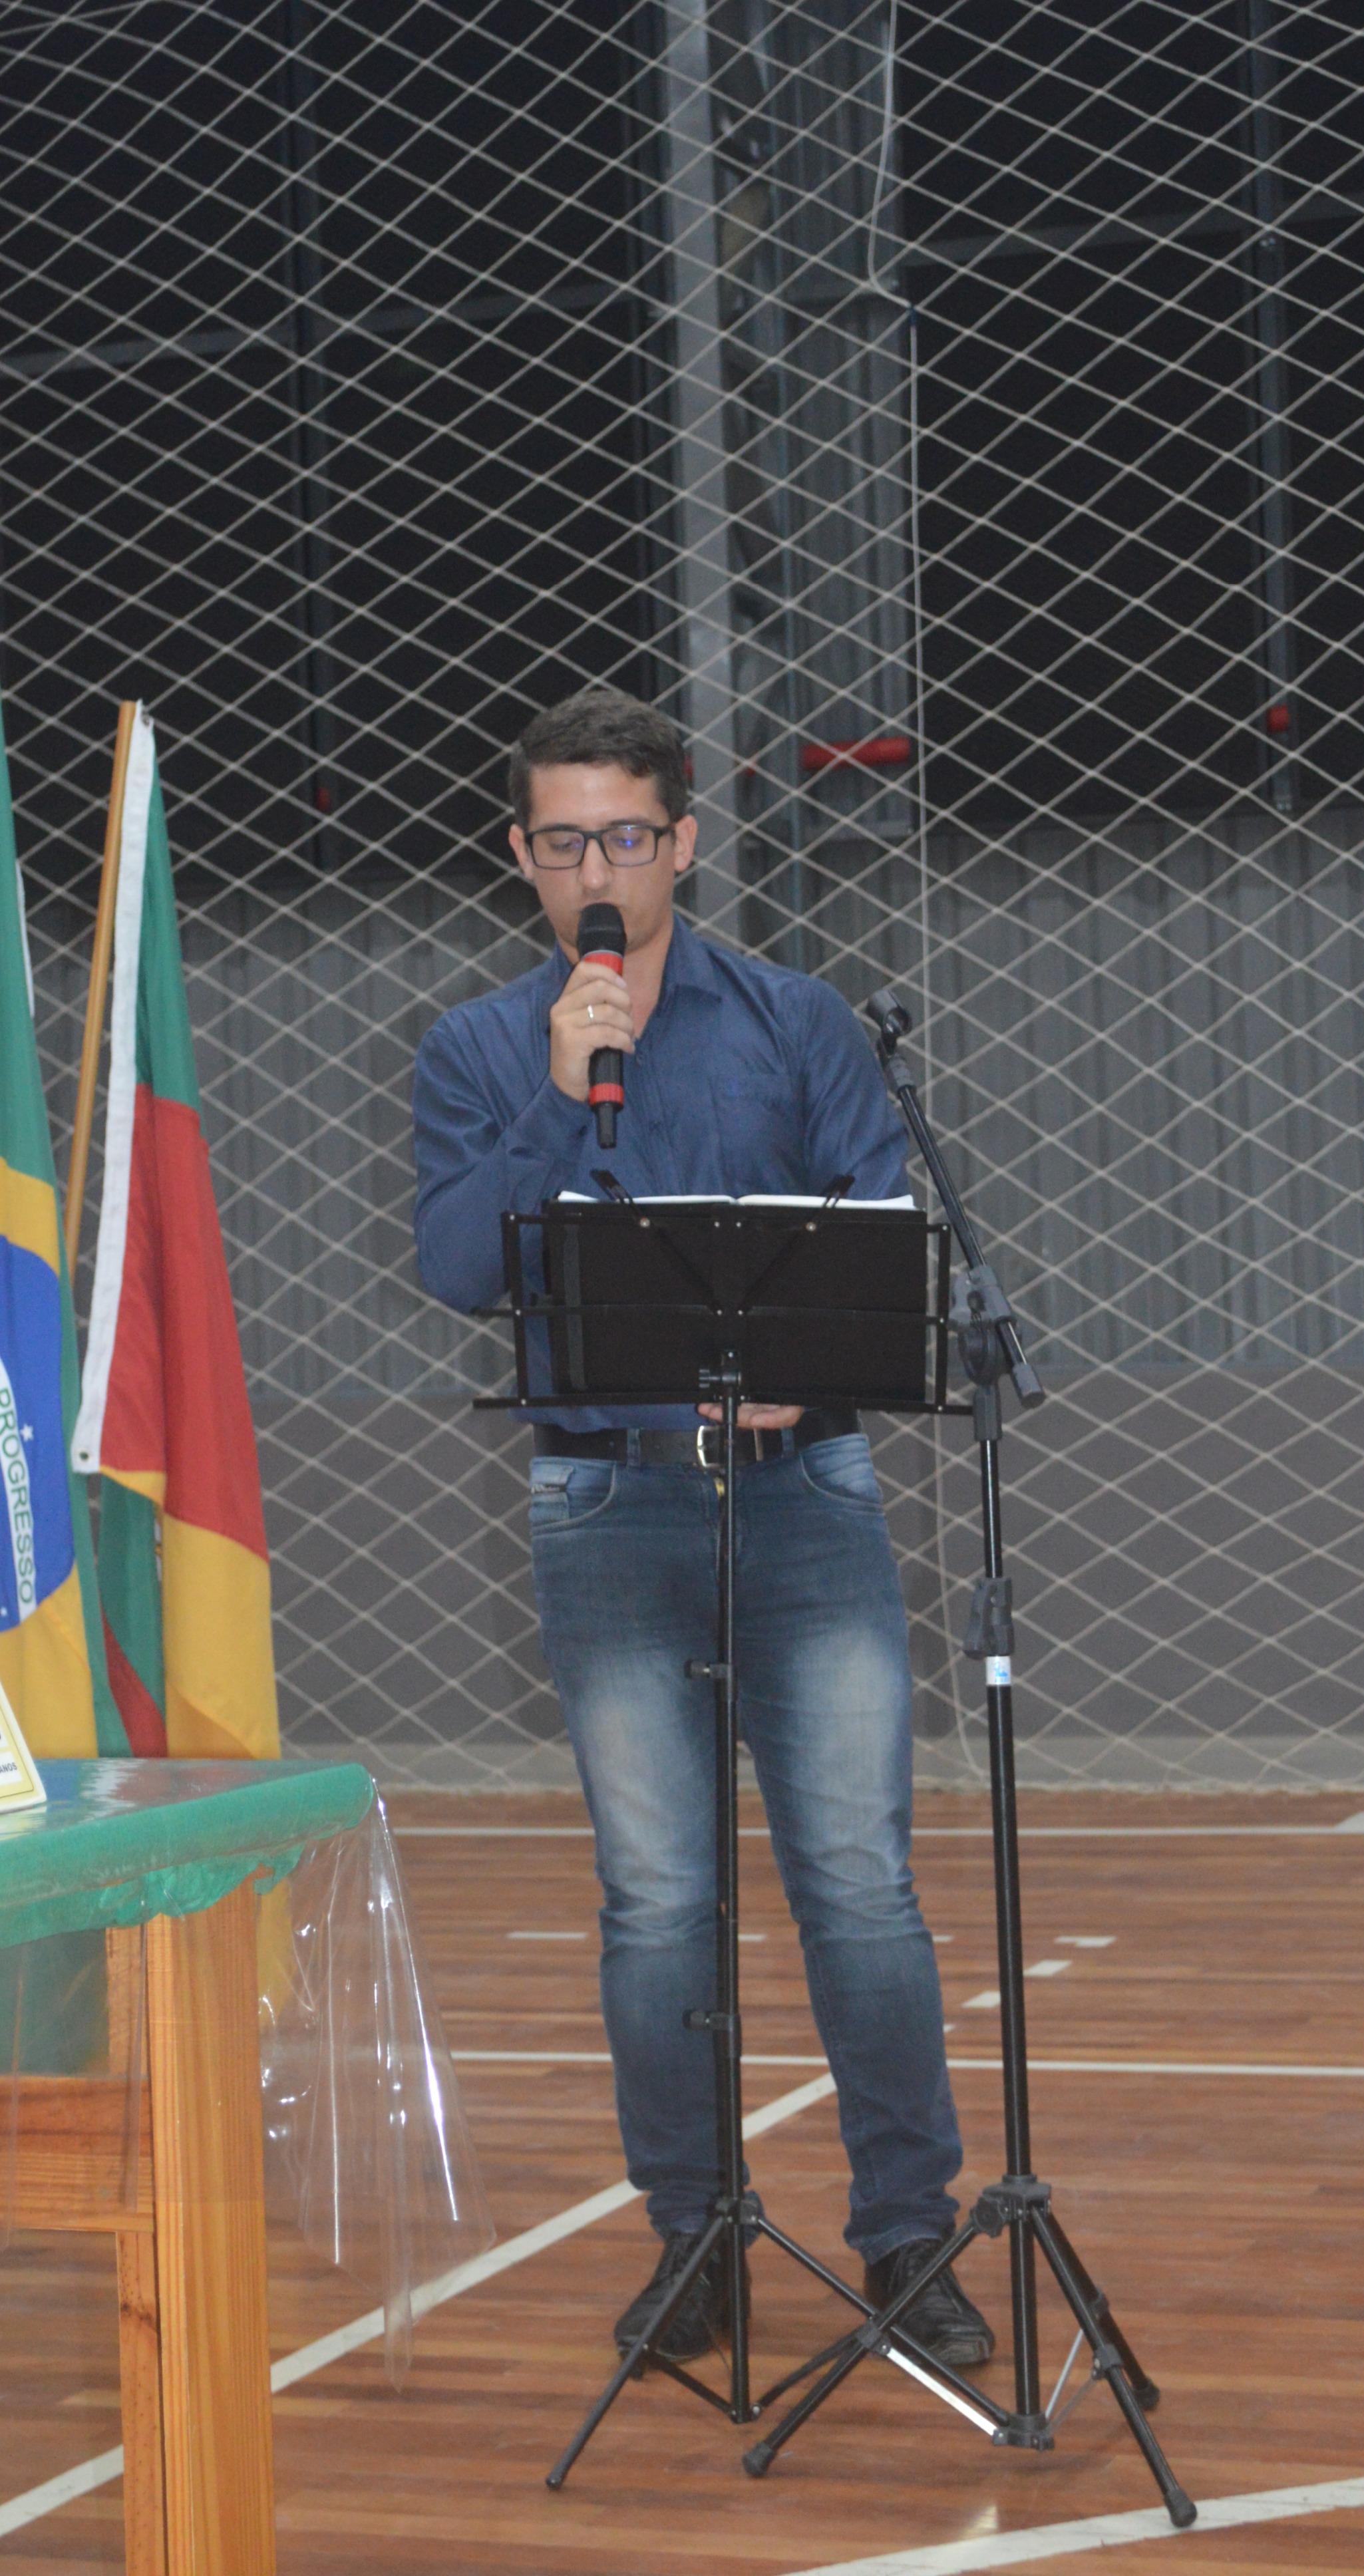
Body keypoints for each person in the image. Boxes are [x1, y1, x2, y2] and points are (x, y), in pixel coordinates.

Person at [413, 683, 992, 2369]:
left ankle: (909, 2240)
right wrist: (558, 1092)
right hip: (606, 1501)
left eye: (626, 837)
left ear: (684, 841)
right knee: (658, 1899)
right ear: (522, 852)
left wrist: (804, 1371)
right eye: (563, 841)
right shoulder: (478, 1047)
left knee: (859, 1887)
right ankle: (697, 2239)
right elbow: (459, 1268)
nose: (596, 870)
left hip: (808, 1500)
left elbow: (881, 1227)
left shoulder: (797, 1020)